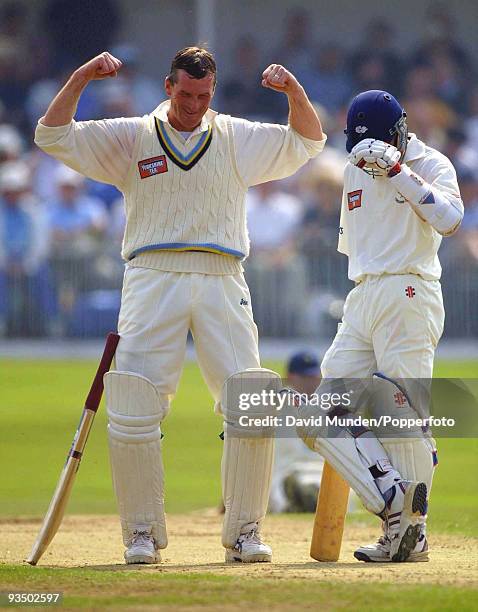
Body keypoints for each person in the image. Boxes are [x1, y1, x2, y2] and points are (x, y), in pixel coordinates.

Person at [34, 48, 326, 564]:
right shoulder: (132, 136)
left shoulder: (233, 134)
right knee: (135, 405)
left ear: (212, 91)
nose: (194, 105)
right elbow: (52, 134)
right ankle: (141, 534)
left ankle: (246, 531)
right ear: (169, 87)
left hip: (221, 273)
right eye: (186, 94)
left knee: (250, 400)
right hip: (151, 275)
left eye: (203, 95)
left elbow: (307, 140)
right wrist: (81, 76)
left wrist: (293, 92)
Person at [295, 90, 463, 562]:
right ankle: (391, 496)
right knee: (324, 410)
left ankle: (411, 533)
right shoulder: (352, 168)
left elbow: (450, 221)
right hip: (364, 292)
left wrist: (396, 171)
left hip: (411, 288)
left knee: (400, 414)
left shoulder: (432, 164)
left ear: (400, 132)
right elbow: (356, 244)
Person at [269, 351, 324, 513]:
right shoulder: (274, 407)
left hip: (318, 472)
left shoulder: (328, 406)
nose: (311, 383)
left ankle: (308, 497)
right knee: (281, 493)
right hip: (284, 474)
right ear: (290, 377)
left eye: (314, 377)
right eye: (305, 378)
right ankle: (298, 497)